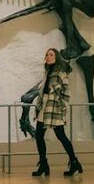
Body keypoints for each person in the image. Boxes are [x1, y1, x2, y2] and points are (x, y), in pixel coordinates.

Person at [32, 48, 82, 177]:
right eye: (47, 55)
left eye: (51, 55)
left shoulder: (61, 72)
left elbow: (66, 92)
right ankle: (43, 164)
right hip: (44, 107)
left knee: (61, 136)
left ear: (56, 57)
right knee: (39, 135)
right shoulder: (47, 71)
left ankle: (74, 161)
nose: (48, 57)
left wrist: (61, 106)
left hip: (54, 108)